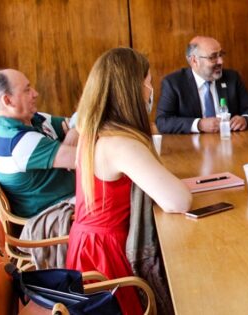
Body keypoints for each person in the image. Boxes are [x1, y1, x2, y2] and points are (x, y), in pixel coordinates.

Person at [66, 47, 192, 314]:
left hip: (85, 246)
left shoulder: (93, 133)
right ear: (131, 89)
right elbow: (178, 200)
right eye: (147, 82)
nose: (150, 91)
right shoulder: (120, 143)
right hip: (107, 256)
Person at [0, 69, 77, 218]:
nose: (35, 93)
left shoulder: (34, 119)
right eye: (27, 90)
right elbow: (85, 158)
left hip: (70, 203)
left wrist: (73, 131)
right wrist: (76, 130)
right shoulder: (18, 142)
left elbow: (78, 121)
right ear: (8, 100)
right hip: (55, 218)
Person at [156, 35, 248, 134]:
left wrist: (246, 120)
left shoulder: (232, 78)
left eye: (221, 55)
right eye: (213, 57)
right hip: (191, 150)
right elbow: (162, 121)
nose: (221, 61)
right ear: (194, 61)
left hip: (230, 144)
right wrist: (199, 124)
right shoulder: (174, 83)